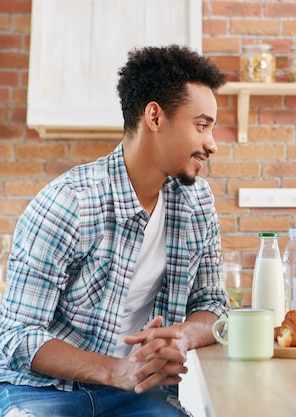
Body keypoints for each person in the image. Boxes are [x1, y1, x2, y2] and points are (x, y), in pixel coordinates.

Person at [0, 45, 230, 416]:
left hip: (136, 394)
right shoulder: (69, 203)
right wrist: (118, 370)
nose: (212, 144)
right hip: (42, 392)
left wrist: (183, 335)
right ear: (154, 116)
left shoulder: (196, 202)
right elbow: (14, 336)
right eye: (201, 125)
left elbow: (213, 305)